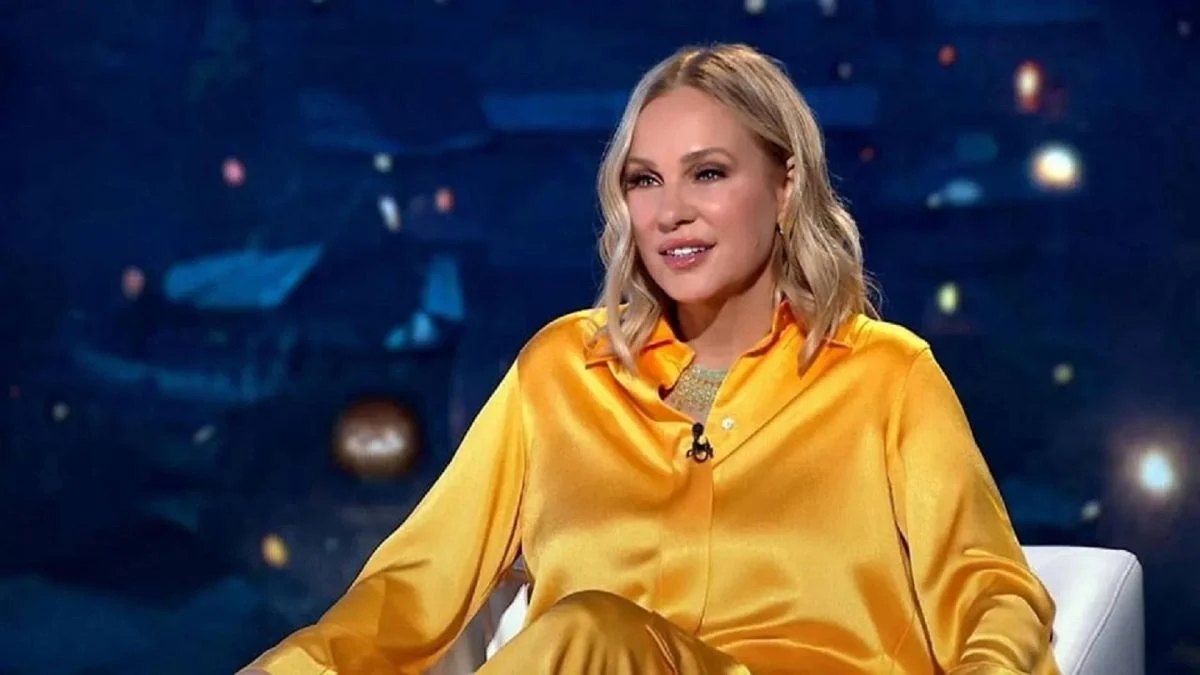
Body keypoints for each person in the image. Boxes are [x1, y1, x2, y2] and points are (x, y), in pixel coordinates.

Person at [241, 43, 1059, 675]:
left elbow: (991, 593)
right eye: (644, 180)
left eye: (708, 174)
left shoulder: (885, 375)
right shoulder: (562, 371)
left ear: (784, 188)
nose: (670, 212)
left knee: (587, 631)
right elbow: (411, 587)